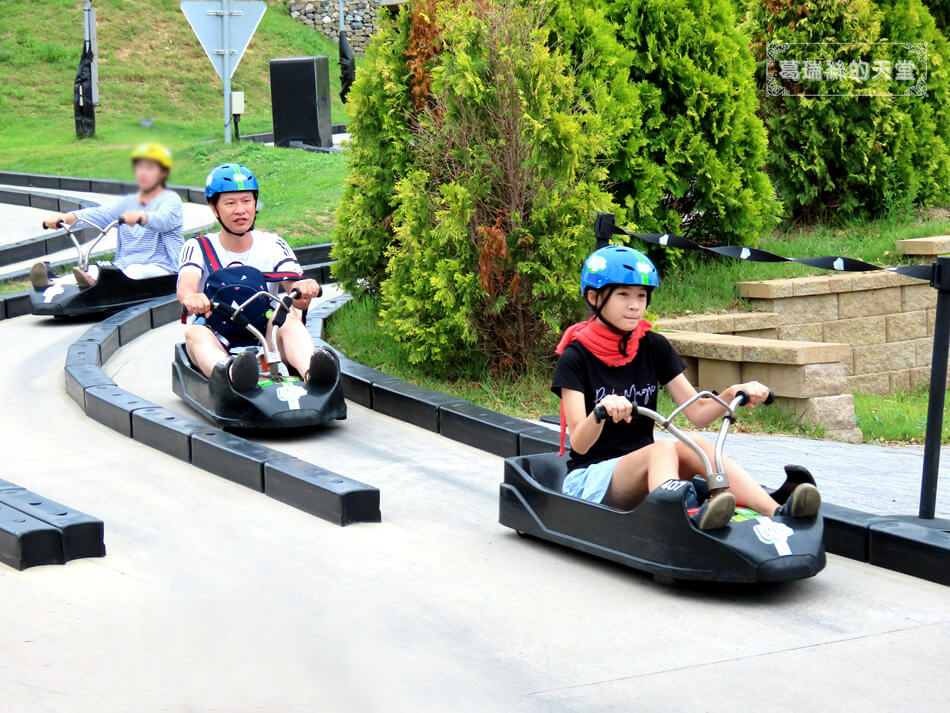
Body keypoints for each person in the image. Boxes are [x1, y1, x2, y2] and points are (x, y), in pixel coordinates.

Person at [552, 245, 822, 530]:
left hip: (649, 470)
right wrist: (600, 413)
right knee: (663, 449)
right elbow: (579, 443)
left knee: (698, 446)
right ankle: (682, 521)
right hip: (592, 479)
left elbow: (697, 413)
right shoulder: (575, 357)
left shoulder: (652, 345)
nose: (635, 305)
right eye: (623, 295)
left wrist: (733, 393)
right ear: (594, 298)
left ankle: (777, 511)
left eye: (641, 296)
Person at [177, 162, 337, 391]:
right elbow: (186, 286)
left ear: (255, 204)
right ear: (214, 209)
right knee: (194, 332)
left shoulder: (272, 244)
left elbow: (298, 295)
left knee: (288, 315)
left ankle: (313, 374)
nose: (240, 210)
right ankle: (235, 376)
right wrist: (192, 298)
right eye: (230, 203)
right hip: (216, 333)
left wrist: (305, 287)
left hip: (265, 335)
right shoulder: (198, 246)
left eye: (246, 201)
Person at [33, 142, 184, 289]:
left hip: (164, 268)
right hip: (125, 265)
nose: (143, 173)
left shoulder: (171, 200)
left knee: (132, 273)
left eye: (150, 168)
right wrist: (67, 218)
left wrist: (142, 217)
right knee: (92, 270)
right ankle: (54, 283)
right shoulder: (128, 202)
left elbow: (163, 220)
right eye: (140, 168)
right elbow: (100, 214)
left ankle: (96, 285)